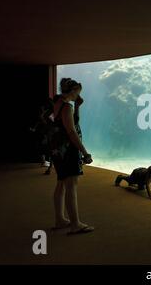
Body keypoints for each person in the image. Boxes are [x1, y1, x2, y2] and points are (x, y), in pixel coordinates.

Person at [51, 78, 94, 235]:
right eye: (77, 92)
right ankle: (75, 223)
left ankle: (60, 219)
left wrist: (78, 106)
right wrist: (84, 152)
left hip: (58, 150)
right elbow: (71, 131)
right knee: (71, 185)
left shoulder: (59, 103)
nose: (78, 95)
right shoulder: (66, 106)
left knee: (61, 183)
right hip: (68, 150)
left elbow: (71, 122)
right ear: (72, 90)